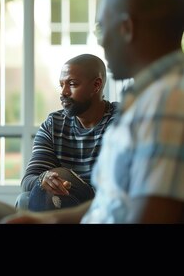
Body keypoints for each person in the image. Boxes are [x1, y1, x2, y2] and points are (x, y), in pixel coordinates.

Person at [0, 0, 184, 224]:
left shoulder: (167, 101)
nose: (101, 42)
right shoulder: (147, 99)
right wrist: (50, 220)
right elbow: (111, 203)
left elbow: (153, 215)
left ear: (126, 28)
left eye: (103, 28)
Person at [16, 54, 119, 211]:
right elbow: (28, 180)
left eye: (72, 84)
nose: (64, 92)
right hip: (64, 204)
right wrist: (45, 179)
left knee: (61, 175)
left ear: (96, 85)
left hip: (108, 204)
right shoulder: (53, 124)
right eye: (61, 85)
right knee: (25, 198)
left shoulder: (121, 119)